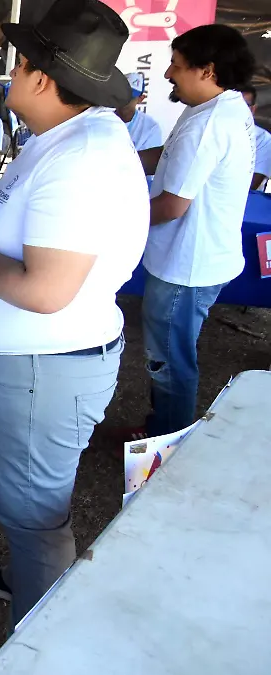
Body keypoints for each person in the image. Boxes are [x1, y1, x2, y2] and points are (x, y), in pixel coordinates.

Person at [0, 0, 148, 627]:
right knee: (32, 506)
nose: (9, 75)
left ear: (38, 78)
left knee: (38, 519)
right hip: (33, 363)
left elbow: (46, 291)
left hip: (39, 369)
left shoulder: (78, 160)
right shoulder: (61, 139)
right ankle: (27, 579)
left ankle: (39, 642)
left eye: (18, 63)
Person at [134, 24, 257, 439]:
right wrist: (120, 159)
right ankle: (161, 428)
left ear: (207, 70)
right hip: (198, 258)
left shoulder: (208, 125)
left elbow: (171, 206)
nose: (169, 73)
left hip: (186, 265)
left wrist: (114, 218)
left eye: (177, 66)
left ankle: (165, 448)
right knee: (173, 354)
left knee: (170, 360)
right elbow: (165, 155)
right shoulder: (219, 107)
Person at [116, 72, 163, 152]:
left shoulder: (150, 128)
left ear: (140, 99)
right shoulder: (101, 116)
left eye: (130, 97)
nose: (124, 100)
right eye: (122, 94)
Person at [239, 84, 270, 191]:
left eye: (244, 106)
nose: (236, 110)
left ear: (252, 109)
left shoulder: (263, 139)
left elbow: (252, 186)